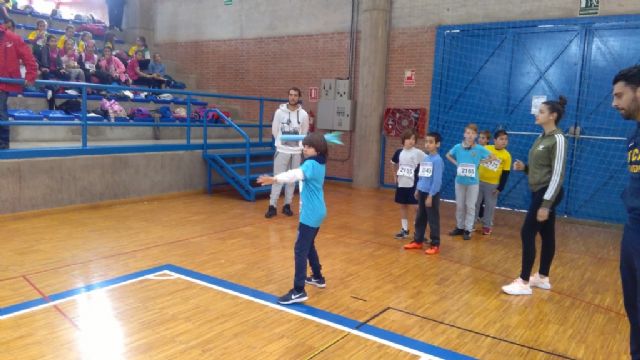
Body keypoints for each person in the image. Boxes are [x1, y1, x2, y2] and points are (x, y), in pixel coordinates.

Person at [502, 96, 568, 296]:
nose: (536, 114)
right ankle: (542, 278)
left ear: (552, 116)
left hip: (547, 192)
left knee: (527, 232)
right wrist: (525, 168)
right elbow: (542, 168)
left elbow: (557, 174)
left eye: (541, 112)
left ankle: (523, 282)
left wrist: (546, 204)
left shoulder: (558, 138)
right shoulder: (541, 138)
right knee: (547, 234)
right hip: (539, 190)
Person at [257, 133, 328, 305]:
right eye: (304, 146)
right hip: (317, 210)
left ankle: (298, 290)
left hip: (311, 213)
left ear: (317, 149)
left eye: (308, 146)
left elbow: (295, 174)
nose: (304, 149)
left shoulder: (311, 164)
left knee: (300, 249)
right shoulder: (320, 162)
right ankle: (318, 277)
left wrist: (275, 178)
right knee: (308, 244)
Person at [611, 65, 640, 359]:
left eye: (620, 95)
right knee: (634, 308)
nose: (614, 103)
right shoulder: (633, 137)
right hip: (633, 230)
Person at [265, 87, 309, 218]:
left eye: (295, 95)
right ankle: (272, 206)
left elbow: (304, 132)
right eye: (291, 95)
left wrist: (299, 146)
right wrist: (281, 142)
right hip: (282, 150)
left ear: (299, 97)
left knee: (291, 180)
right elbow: (274, 130)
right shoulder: (279, 112)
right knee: (277, 178)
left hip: (296, 152)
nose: (293, 97)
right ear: (288, 96)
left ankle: (287, 205)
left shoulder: (304, 115)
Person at [446, 123, 494, 240]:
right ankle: (460, 227)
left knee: (471, 206)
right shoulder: (458, 147)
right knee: (460, 205)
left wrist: (480, 163)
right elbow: (448, 155)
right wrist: (456, 163)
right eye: (468, 133)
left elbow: (493, 157)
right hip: (460, 181)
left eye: (472, 133)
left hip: (473, 182)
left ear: (476, 135)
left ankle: (468, 229)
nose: (470, 135)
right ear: (464, 134)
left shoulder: (479, 149)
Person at [403, 132, 444, 255]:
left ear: (437, 144)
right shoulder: (426, 158)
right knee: (420, 217)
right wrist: (417, 189)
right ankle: (418, 240)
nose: (427, 144)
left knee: (433, 219)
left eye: (431, 142)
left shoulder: (438, 160)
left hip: (431, 195)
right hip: (422, 192)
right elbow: (422, 175)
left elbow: (437, 181)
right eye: (426, 141)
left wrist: (431, 195)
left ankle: (435, 244)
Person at [0, 23, 37, 149]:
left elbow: (28, 57)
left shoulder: (12, 38)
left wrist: (30, 75)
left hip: (3, 83)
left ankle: (3, 143)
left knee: (1, 112)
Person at [475, 130, 512, 235]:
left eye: (506, 139)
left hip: (492, 185)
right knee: (475, 204)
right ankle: (471, 224)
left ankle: (487, 226)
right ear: (495, 140)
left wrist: (500, 188)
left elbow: (505, 173)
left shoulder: (507, 156)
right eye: (501, 139)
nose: (504, 141)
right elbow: (477, 161)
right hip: (478, 181)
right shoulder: (486, 149)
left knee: (490, 206)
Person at [391, 129, 425, 239]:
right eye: (409, 139)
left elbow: (428, 161)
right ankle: (404, 230)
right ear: (403, 140)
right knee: (403, 206)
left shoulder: (418, 152)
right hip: (402, 183)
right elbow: (392, 163)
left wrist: (423, 177)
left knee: (416, 207)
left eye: (413, 139)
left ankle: (418, 232)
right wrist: (394, 176)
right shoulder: (399, 152)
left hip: (414, 183)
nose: (411, 141)